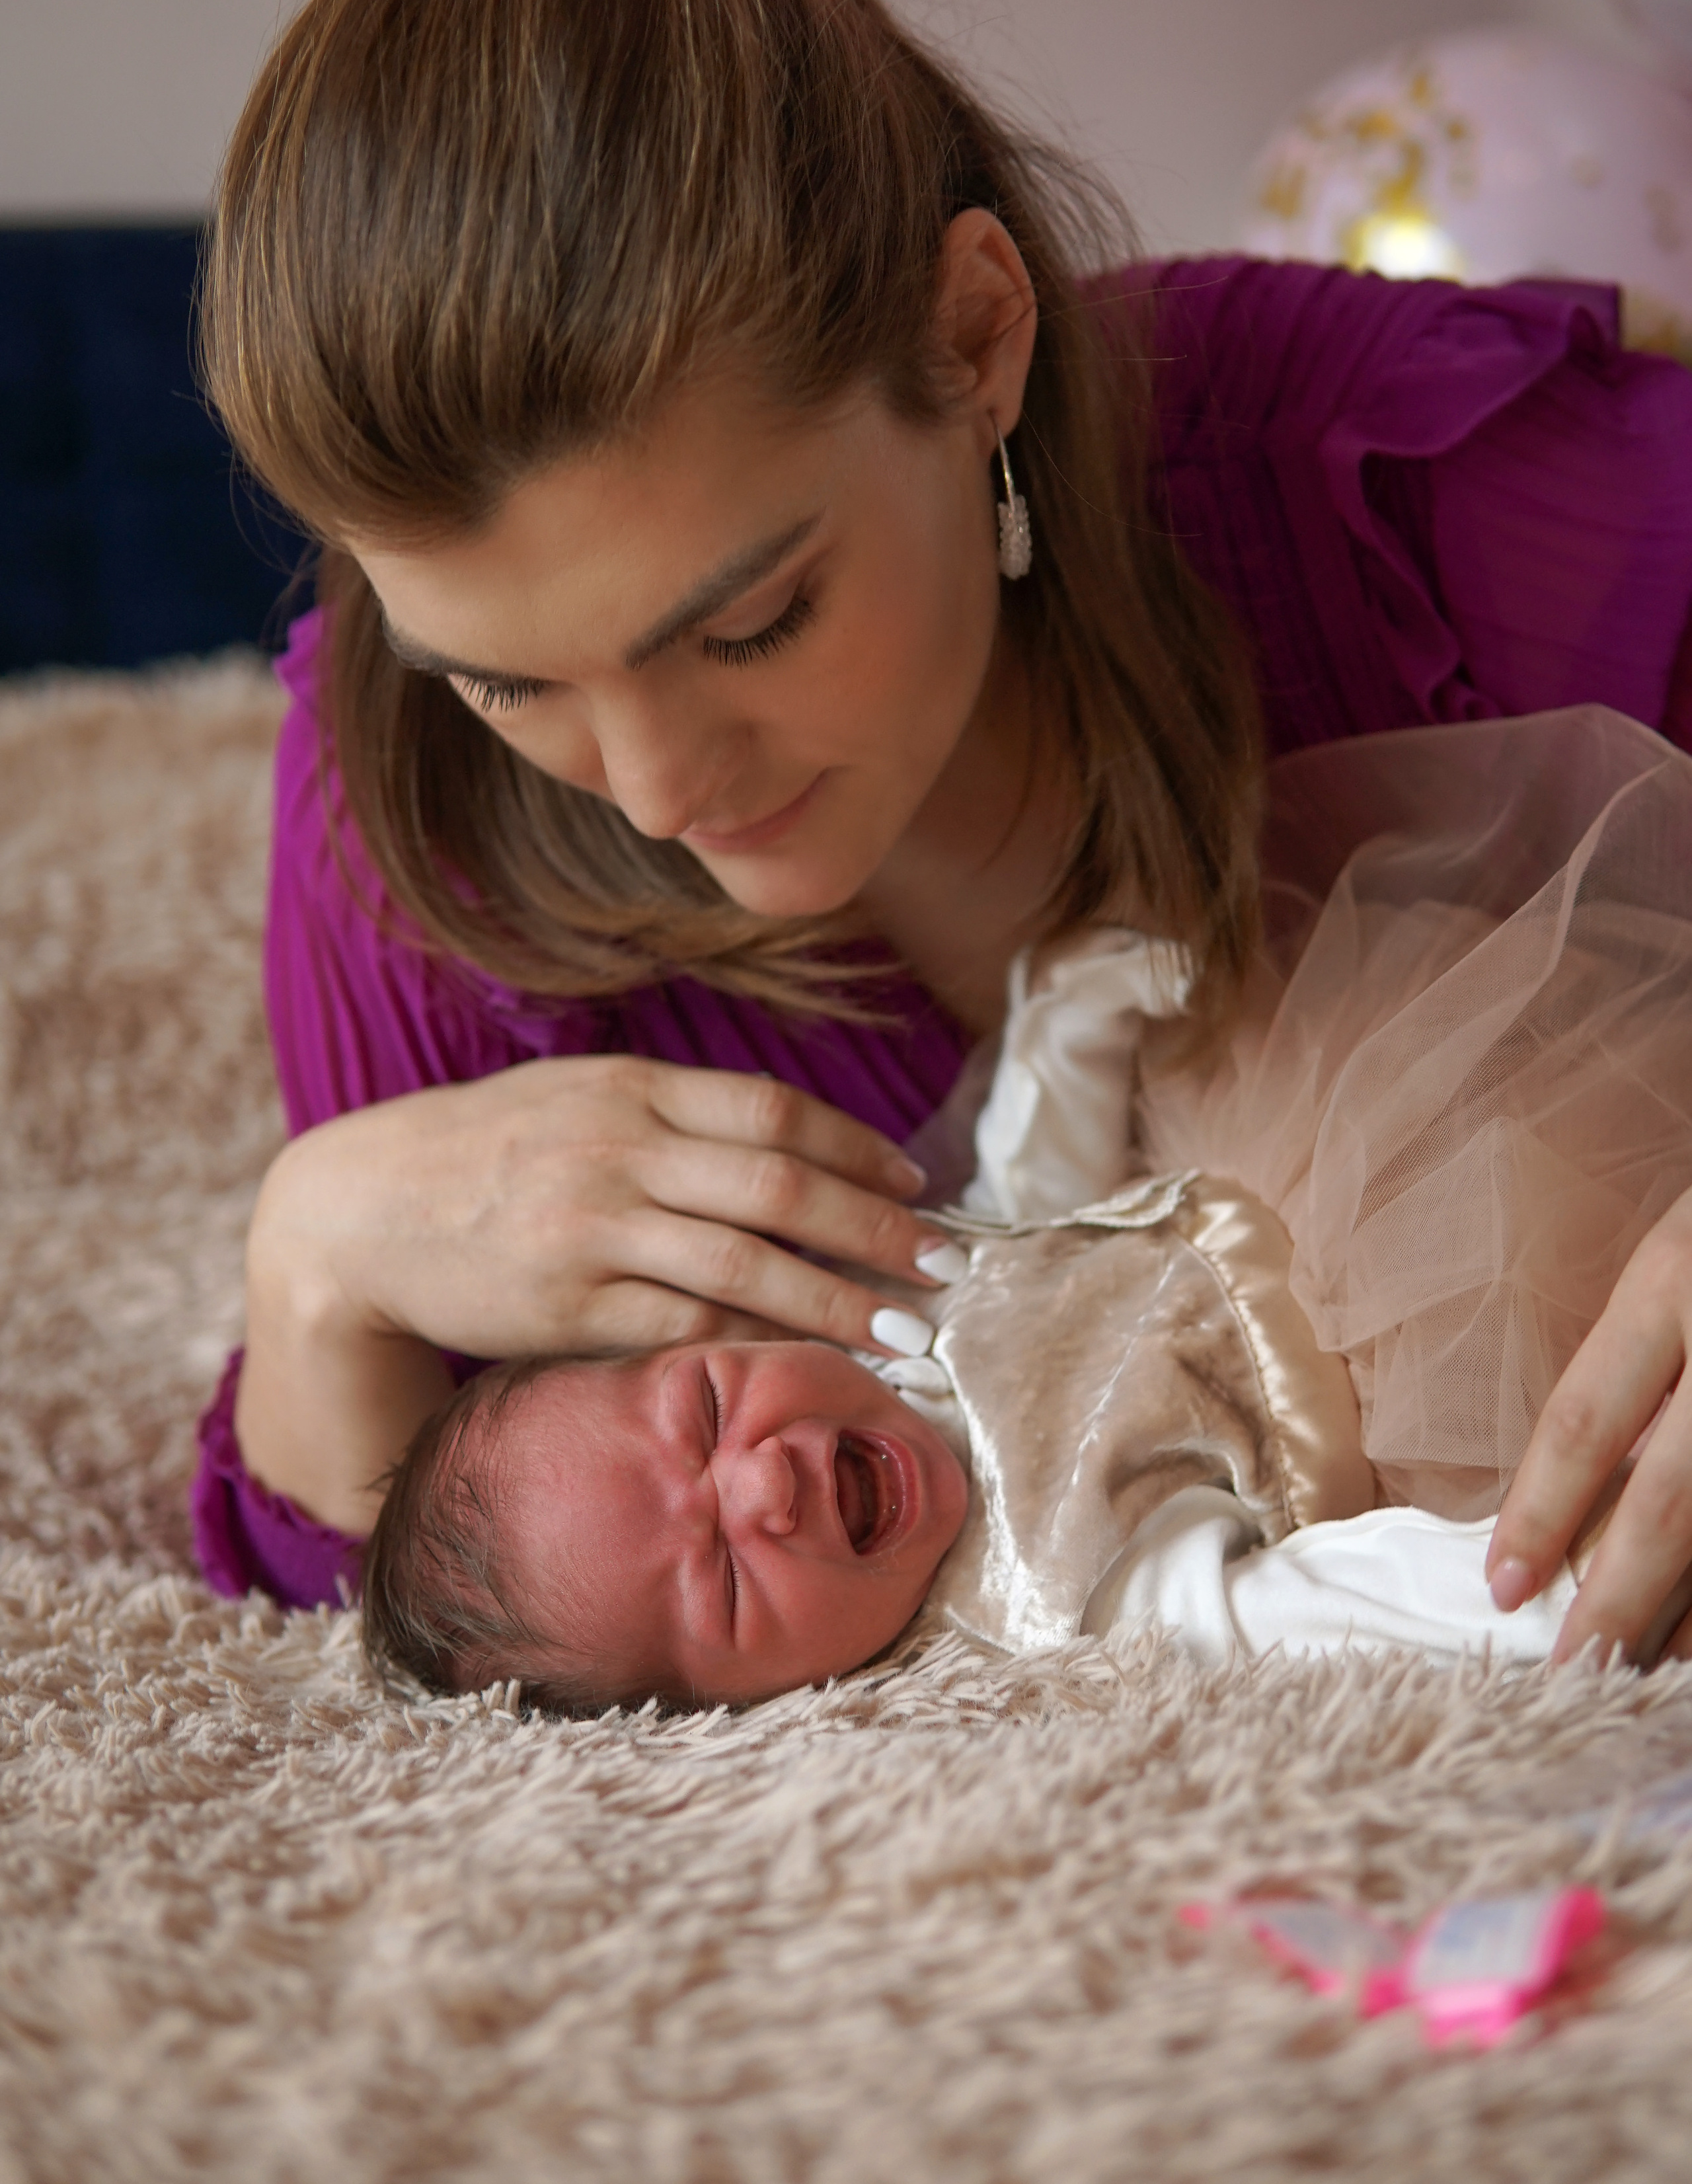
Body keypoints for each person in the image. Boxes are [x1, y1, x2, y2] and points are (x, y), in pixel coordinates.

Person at [188, 0, 1692, 1669]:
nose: (660, 793)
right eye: (510, 680)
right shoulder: (406, 810)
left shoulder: (1363, 486)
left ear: (975, 336)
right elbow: (410, 1567)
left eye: (751, 620)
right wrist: (317, 1256)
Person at [354, 703, 1692, 1713]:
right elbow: (1294, 1612)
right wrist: (1537, 1580)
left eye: (706, 1408)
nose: (760, 1479)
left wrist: (1079, 1010)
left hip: (1319, 1152)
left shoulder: (885, 1324)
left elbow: (1027, 1209)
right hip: (1427, 1365)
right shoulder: (1050, 1595)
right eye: (720, 1580)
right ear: (744, 1710)